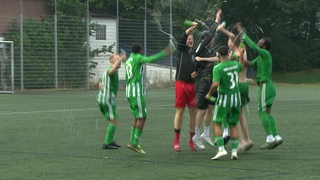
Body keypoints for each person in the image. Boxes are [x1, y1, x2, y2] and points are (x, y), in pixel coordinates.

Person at [235, 22, 283, 150]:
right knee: (268, 112)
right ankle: (276, 136)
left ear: (265, 46)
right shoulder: (261, 57)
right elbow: (249, 63)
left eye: (260, 42)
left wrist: (243, 34)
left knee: (261, 111)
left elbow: (253, 47)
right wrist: (239, 55)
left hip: (265, 86)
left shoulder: (265, 54)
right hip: (268, 86)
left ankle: (269, 138)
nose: (258, 42)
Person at [126, 42, 175, 154]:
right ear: (140, 50)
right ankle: (134, 143)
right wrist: (164, 52)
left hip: (129, 92)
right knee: (143, 117)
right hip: (136, 92)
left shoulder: (129, 59)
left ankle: (132, 142)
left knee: (136, 117)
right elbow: (150, 59)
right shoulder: (138, 58)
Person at [216, 24, 254, 151]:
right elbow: (236, 37)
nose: (228, 44)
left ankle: (241, 142)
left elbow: (222, 59)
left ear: (233, 43)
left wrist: (222, 30)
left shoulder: (235, 55)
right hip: (244, 85)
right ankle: (248, 139)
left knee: (234, 116)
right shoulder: (243, 49)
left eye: (229, 42)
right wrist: (229, 31)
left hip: (237, 87)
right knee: (241, 115)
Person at [192, 9, 222, 150]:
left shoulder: (209, 51)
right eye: (211, 39)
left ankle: (206, 133)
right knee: (202, 110)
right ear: (205, 40)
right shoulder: (200, 48)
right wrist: (216, 20)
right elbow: (210, 34)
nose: (213, 40)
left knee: (211, 108)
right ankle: (196, 136)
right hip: (202, 83)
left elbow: (219, 57)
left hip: (211, 83)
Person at [205, 46, 242, 160]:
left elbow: (215, 84)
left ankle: (221, 149)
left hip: (224, 98)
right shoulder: (236, 65)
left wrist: (209, 94)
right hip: (236, 98)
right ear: (228, 54)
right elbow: (239, 61)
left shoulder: (218, 68)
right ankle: (234, 151)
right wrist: (235, 56)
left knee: (217, 122)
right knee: (233, 123)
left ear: (218, 55)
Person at [173, 21, 198, 152]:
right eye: (188, 38)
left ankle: (191, 140)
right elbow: (183, 35)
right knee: (180, 111)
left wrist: (197, 73)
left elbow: (202, 67)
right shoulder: (181, 50)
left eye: (191, 39)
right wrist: (193, 27)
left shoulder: (195, 54)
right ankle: (176, 140)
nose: (189, 40)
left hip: (192, 86)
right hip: (181, 83)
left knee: (193, 112)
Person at [97, 52, 126, 149]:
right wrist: (120, 60)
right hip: (107, 99)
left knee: (113, 120)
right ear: (111, 61)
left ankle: (110, 141)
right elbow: (110, 72)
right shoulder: (111, 70)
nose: (119, 62)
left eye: (119, 59)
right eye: (117, 59)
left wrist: (101, 84)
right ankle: (107, 143)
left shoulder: (109, 70)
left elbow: (102, 82)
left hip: (104, 98)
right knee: (113, 120)